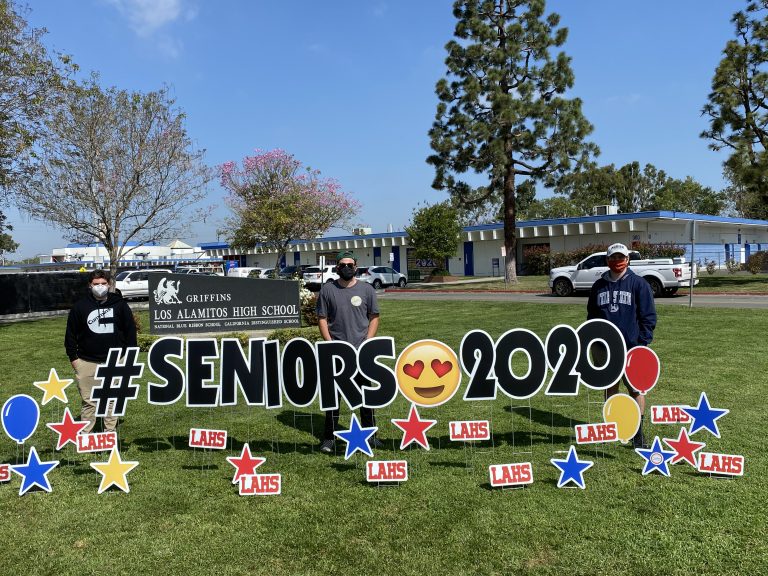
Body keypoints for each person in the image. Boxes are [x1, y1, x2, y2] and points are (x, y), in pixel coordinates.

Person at [587, 243, 657, 449]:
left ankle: (637, 432)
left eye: (621, 257)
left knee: (636, 388)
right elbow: (592, 315)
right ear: (607, 260)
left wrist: (642, 343)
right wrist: (593, 339)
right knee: (610, 387)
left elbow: (648, 316)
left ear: (628, 259)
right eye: (613, 257)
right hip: (605, 348)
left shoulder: (638, 284)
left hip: (632, 347)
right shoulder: (598, 286)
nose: (617, 261)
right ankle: (612, 426)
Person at [316, 251, 382, 453]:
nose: (346, 267)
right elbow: (322, 318)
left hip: (361, 352)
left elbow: (374, 317)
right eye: (342, 264)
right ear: (337, 267)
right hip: (337, 353)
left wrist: (368, 342)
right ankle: (329, 438)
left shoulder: (367, 290)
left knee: (366, 396)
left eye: (350, 264)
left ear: (356, 267)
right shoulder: (328, 290)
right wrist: (330, 344)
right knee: (333, 398)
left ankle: (371, 436)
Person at [65, 269, 137, 433]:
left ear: (109, 284)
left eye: (103, 283)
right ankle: (86, 435)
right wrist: (74, 359)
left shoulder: (119, 305)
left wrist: (128, 357)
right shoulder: (80, 307)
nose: (100, 287)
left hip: (115, 360)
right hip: (86, 361)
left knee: (112, 399)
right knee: (89, 401)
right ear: (90, 285)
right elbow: (70, 335)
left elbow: (130, 332)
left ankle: (109, 433)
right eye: (96, 284)